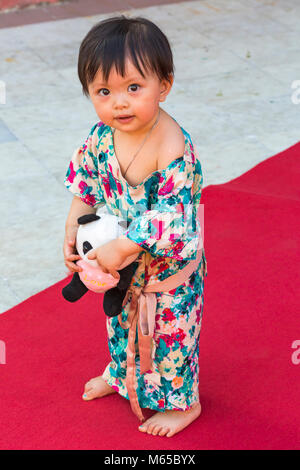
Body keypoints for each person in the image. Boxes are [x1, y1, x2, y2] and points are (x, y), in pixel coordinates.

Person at [63, 15, 207, 438]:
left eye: (133, 88)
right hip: (121, 268)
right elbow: (84, 184)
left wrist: (126, 244)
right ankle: (120, 373)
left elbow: (174, 216)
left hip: (168, 274)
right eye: (104, 92)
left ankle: (184, 402)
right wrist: (73, 228)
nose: (119, 103)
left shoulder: (173, 145)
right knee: (119, 321)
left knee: (171, 338)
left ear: (164, 85)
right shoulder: (100, 137)